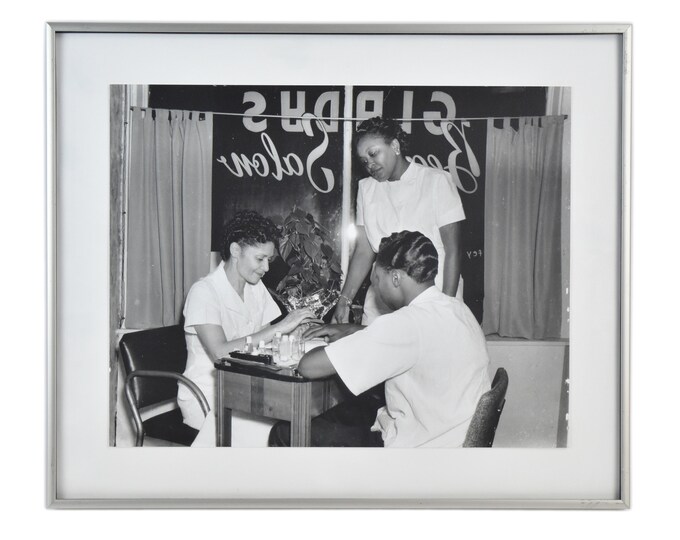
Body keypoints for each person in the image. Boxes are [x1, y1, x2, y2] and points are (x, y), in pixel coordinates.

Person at [269, 231, 491, 448]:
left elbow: (308, 367)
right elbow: (417, 342)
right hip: (454, 437)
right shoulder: (456, 308)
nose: (376, 289)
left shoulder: (406, 324)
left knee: (284, 434)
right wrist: (355, 330)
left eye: (376, 279)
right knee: (359, 407)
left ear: (395, 277)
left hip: (422, 450)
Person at [178, 210, 316, 446]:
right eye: (260, 259)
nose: (266, 268)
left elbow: (263, 344)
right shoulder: (203, 291)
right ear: (235, 250)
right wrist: (280, 327)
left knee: (292, 424)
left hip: (244, 388)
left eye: (268, 261)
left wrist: (292, 334)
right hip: (208, 394)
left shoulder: (255, 287)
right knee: (278, 430)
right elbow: (221, 353)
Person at [333, 116, 466, 325]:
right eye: (364, 160)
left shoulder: (436, 181)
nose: (370, 164)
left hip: (434, 294)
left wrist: (446, 305)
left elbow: (454, 251)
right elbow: (364, 251)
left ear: (394, 145)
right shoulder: (366, 189)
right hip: (382, 300)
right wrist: (344, 301)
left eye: (373, 153)